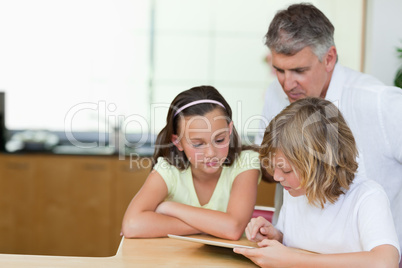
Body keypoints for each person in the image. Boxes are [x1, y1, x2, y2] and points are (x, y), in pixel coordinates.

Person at [254, 3, 402, 256]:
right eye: (279, 70)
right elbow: (269, 167)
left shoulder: (381, 103)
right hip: (296, 248)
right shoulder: (275, 95)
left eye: (299, 70)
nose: (287, 84)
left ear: (329, 58)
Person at [235, 97, 400, 267]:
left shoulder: (367, 197)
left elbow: (385, 262)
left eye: (286, 170)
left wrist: (292, 260)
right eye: (274, 167)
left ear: (320, 165)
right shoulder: (295, 191)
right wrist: (277, 237)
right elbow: (305, 243)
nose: (276, 177)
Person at [121, 85, 261, 240]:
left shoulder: (246, 163)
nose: (211, 153)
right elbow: (132, 225)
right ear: (178, 142)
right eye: (198, 144)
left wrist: (170, 208)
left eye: (220, 140)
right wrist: (213, 226)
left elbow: (233, 229)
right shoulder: (168, 170)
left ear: (229, 130)